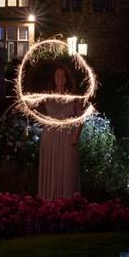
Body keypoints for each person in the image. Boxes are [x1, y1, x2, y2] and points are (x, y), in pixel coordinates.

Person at [37, 64, 83, 200]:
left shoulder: (73, 97)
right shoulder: (47, 96)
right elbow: (37, 112)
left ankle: (67, 201)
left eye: (63, 75)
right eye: (57, 75)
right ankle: (49, 199)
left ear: (66, 78)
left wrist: (75, 136)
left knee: (67, 169)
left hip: (67, 137)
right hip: (50, 137)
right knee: (51, 168)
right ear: (53, 78)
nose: (60, 78)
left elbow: (81, 118)